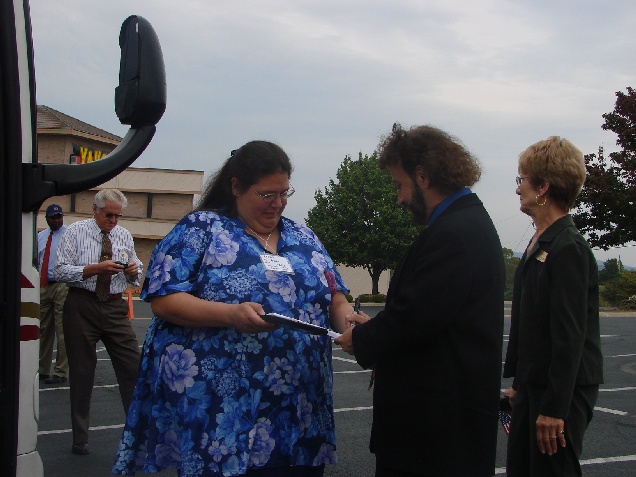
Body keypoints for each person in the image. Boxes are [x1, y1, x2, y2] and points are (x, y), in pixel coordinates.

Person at [112, 141, 352, 477]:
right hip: (224, 410)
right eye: (266, 194)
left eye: (284, 193)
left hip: (299, 410)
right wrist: (230, 315)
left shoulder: (304, 237)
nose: (278, 203)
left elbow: (335, 296)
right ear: (236, 187)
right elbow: (165, 299)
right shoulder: (201, 228)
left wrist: (350, 324)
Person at [335, 124, 505, 477]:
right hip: (440, 433)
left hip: (435, 438)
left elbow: (415, 319)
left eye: (400, 185)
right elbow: (430, 313)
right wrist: (377, 327)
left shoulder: (455, 233)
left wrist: (362, 338)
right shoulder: (463, 224)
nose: (398, 198)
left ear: (423, 176)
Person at [502, 137, 603, 477]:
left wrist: (555, 409)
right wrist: (521, 383)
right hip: (535, 384)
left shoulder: (568, 247)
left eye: (523, 180)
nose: (518, 189)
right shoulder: (542, 241)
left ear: (543, 186)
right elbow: (533, 325)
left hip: (561, 392)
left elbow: (569, 335)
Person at [54, 189, 142, 456]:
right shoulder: (75, 232)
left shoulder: (123, 235)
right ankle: (80, 438)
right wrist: (94, 269)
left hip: (115, 306)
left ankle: (137, 435)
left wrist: (134, 271)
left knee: (133, 368)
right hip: (82, 305)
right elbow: (60, 270)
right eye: (109, 215)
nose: (113, 221)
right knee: (82, 374)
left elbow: (136, 269)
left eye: (117, 216)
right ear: (95, 209)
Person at [38, 203, 69, 384]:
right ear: (47, 218)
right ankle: (42, 369)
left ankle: (60, 372)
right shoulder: (40, 236)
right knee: (42, 328)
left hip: (62, 284)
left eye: (59, 217)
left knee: (62, 329)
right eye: (53, 217)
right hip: (44, 284)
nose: (57, 220)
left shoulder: (69, 235)